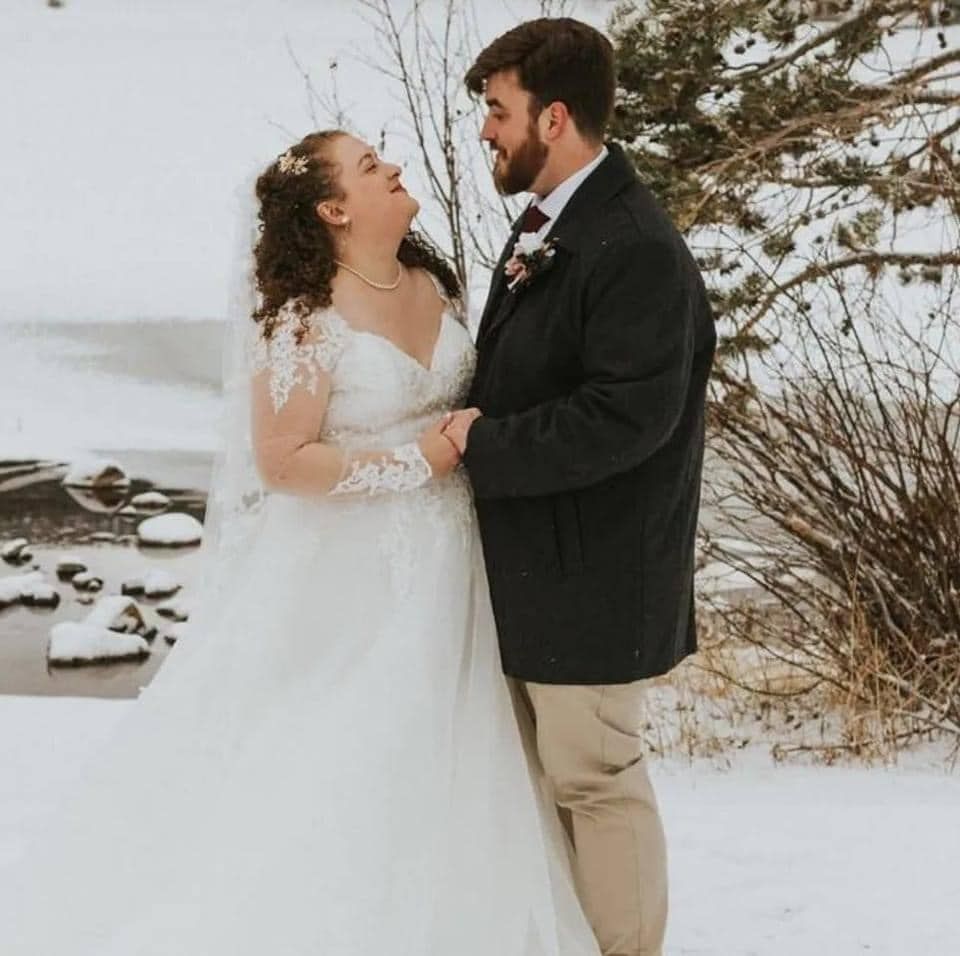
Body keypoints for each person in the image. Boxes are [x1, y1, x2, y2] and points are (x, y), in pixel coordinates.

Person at [0, 130, 600, 956]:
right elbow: (283, 463)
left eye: (382, 158)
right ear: (332, 209)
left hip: (458, 554)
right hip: (352, 568)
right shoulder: (304, 320)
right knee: (352, 745)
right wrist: (418, 459)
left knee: (463, 754)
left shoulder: (434, 282)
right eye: (368, 167)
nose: (392, 168)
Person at [442, 18, 717, 956]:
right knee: (549, 784)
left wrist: (483, 444)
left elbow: (626, 417)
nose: (486, 129)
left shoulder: (631, 243)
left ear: (553, 118)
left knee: (597, 780)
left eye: (497, 110)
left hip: (596, 573)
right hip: (538, 569)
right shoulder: (554, 222)